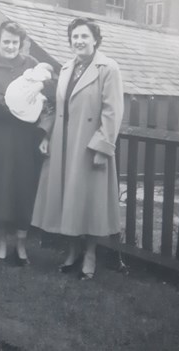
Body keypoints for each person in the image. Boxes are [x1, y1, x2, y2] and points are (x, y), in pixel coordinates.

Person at [32, 18, 124, 280]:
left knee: (90, 201)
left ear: (95, 39)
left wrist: (102, 147)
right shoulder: (67, 67)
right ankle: (72, 251)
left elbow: (112, 111)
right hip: (63, 144)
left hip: (89, 144)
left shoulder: (108, 68)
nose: (79, 41)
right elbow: (57, 105)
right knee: (67, 199)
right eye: (75, 37)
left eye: (84, 36)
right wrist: (46, 134)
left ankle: (91, 254)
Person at [0, 21, 54, 265]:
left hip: (26, 139)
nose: (10, 46)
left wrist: (41, 85)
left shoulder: (30, 64)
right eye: (6, 41)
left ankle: (20, 245)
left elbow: (52, 90)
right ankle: (1, 245)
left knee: (23, 190)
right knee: (1, 191)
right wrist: (23, 106)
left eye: (15, 42)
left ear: (21, 44)